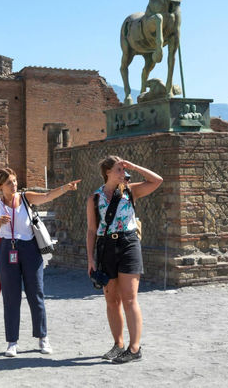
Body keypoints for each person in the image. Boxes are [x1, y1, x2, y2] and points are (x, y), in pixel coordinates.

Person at [0, 167, 80, 358]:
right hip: (7, 250)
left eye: (14, 181)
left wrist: (65, 187)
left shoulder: (25, 197)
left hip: (30, 248)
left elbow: (47, 196)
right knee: (11, 297)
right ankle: (12, 342)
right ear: (0, 186)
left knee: (36, 293)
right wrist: (0, 223)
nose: (13, 185)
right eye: (9, 183)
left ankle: (42, 337)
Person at [86, 156, 163, 364]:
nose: (124, 173)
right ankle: (118, 344)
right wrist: (90, 259)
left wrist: (134, 166)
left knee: (129, 298)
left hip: (129, 244)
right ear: (107, 172)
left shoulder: (130, 191)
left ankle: (134, 348)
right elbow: (92, 230)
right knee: (112, 300)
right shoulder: (94, 198)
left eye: (124, 169)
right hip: (105, 248)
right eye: (119, 169)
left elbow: (157, 180)